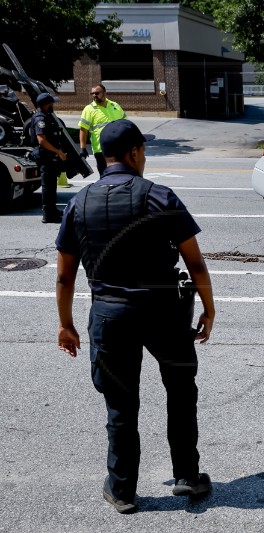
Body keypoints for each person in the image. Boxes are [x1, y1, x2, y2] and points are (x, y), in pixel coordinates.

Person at [55, 119, 216, 514]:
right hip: (164, 312)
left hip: (110, 317)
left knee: (121, 406)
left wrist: (66, 323)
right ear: (134, 153)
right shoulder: (160, 197)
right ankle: (187, 477)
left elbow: (64, 274)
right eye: (142, 150)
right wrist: (210, 309)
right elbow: (195, 263)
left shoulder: (79, 203)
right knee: (181, 392)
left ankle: (123, 490)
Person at [31, 93, 68, 223]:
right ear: (47, 104)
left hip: (49, 156)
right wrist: (58, 152)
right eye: (52, 103)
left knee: (52, 185)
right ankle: (48, 215)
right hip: (45, 156)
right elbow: (42, 140)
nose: (53, 105)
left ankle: (52, 210)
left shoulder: (46, 116)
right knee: (47, 186)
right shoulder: (40, 118)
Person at [78, 84, 127, 175]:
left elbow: (125, 124)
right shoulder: (89, 109)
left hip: (118, 147)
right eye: (92, 93)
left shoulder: (115, 106)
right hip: (101, 150)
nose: (94, 95)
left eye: (97, 93)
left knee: (120, 175)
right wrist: (83, 148)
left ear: (104, 93)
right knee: (105, 176)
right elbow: (83, 129)